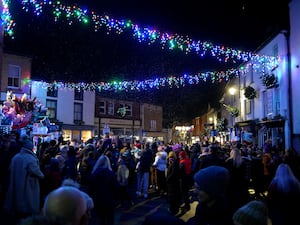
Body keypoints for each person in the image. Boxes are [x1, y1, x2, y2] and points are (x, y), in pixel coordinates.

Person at [4, 135, 44, 221]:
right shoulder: (30, 159)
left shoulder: (16, 157)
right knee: (28, 204)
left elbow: (10, 169)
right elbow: (37, 173)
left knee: (18, 201)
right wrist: (42, 176)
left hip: (17, 184)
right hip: (28, 186)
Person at [89, 155, 120, 225]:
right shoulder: (111, 174)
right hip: (109, 200)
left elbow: (90, 189)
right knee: (109, 220)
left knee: (99, 219)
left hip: (97, 200)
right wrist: (117, 199)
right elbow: (116, 188)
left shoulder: (94, 174)